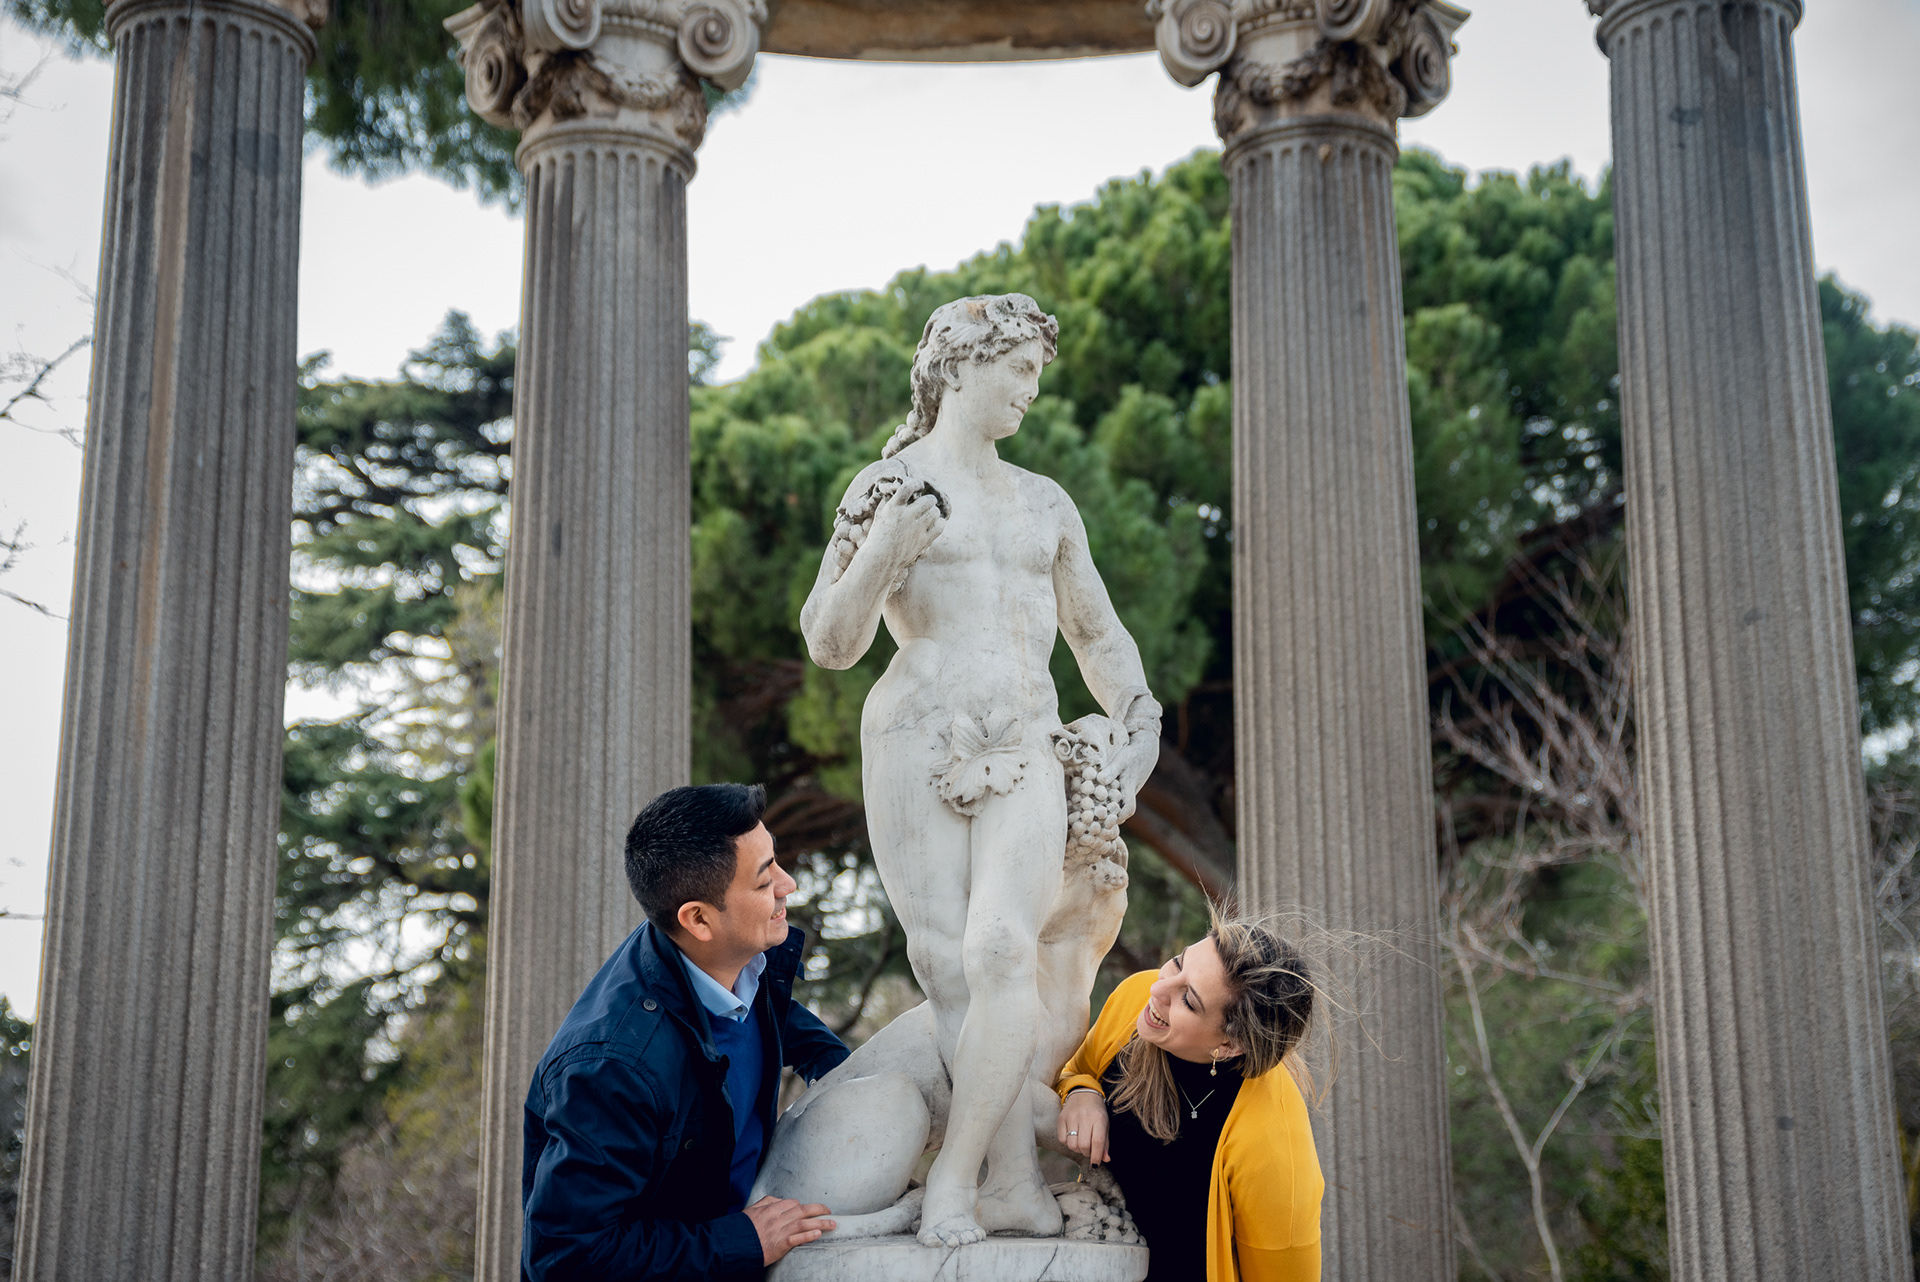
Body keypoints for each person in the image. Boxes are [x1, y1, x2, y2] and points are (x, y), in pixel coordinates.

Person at [799, 293, 1162, 1246]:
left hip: (1027, 740)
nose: (1031, 394)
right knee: (948, 971)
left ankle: (956, 1177)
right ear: (960, 366)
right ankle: (1006, 1183)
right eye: (1020, 372)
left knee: (1004, 949)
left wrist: (1141, 720)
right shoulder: (885, 487)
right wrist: (883, 551)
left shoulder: (1044, 500)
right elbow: (830, 641)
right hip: (918, 734)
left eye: (1037, 377)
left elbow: (1097, 633)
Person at [519, 783, 852, 1282]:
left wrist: (856, 1088)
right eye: (764, 883)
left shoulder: (729, 958)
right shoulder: (611, 1069)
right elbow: (564, 1257)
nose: (788, 885)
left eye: (775, 861)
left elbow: (781, 1023)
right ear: (697, 919)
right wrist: (741, 1241)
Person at [1055, 915, 1324, 1282]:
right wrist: (1082, 1092)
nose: (1159, 989)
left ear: (1229, 1045)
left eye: (1189, 1000)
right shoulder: (1136, 996)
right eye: (1179, 962)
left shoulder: (1273, 1142)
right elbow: (1069, 1070)